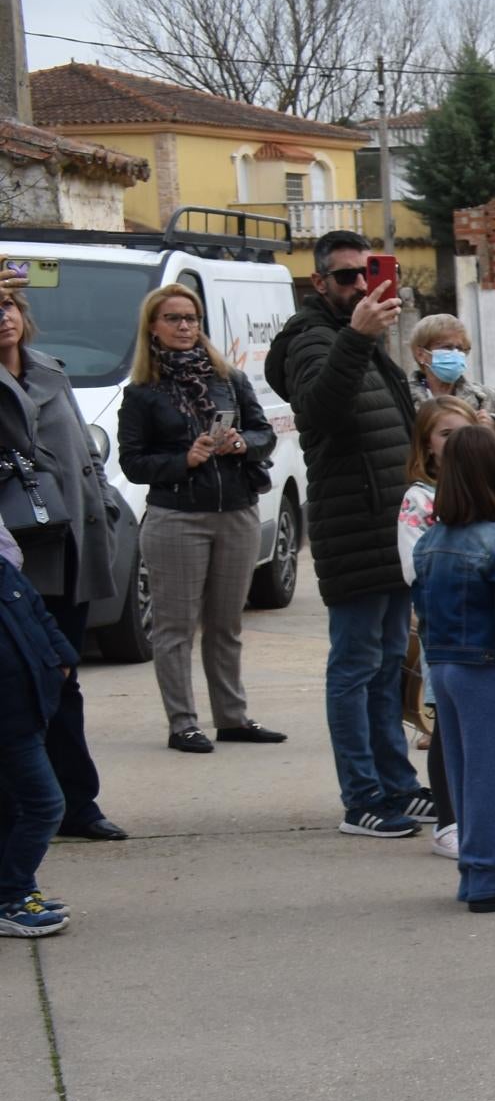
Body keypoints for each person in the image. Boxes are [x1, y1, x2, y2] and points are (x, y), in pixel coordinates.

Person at [268, 231, 425, 838]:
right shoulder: (312, 339)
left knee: (390, 666)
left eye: (367, 273)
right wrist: (358, 336)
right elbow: (320, 410)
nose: (360, 285)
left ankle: (397, 787)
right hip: (353, 529)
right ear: (319, 284)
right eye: (345, 277)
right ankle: (362, 798)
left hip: (389, 531)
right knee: (356, 669)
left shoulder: (361, 340)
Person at [117, 285, 286, 756]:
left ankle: (231, 718)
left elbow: (264, 433)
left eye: (191, 317)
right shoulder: (143, 393)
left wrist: (241, 444)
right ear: (153, 326)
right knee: (175, 627)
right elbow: (133, 463)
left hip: (236, 511)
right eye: (173, 318)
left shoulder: (227, 378)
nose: (184, 326)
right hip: (177, 518)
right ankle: (183, 723)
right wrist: (183, 459)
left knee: (226, 623)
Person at [0, 279, 122, 841]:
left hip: (69, 542)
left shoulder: (50, 367)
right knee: (26, 685)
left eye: (7, 306)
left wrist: (101, 502)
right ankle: (29, 806)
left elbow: (84, 450)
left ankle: (78, 804)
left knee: (65, 676)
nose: (4, 318)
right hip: (20, 553)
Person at [409, 426, 495, 912]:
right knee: (494, 773)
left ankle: (475, 868)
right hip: (486, 667)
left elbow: (423, 617)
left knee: (465, 771)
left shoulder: (429, 542)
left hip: (446, 666)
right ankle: (493, 877)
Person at [0, 519, 75, 936]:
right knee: (45, 805)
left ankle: (16, 892)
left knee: (14, 806)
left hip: (28, 709)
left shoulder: (5, 572)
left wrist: (61, 661)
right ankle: (12, 894)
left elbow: (39, 616)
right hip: (9, 720)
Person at [408, 315, 495, 471]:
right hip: (427, 490)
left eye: (460, 349)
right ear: (421, 354)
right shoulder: (403, 398)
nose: (455, 354)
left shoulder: (487, 398)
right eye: (446, 348)